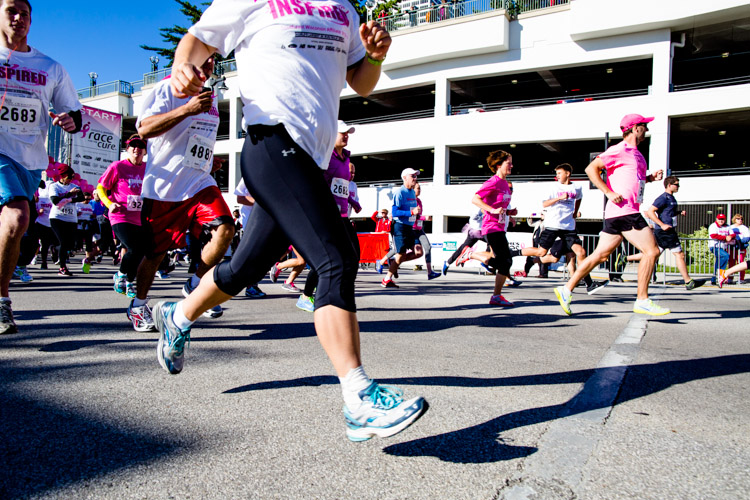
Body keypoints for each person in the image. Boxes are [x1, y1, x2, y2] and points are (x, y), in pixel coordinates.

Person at [152, 3, 425, 441]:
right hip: (271, 142)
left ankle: (178, 315)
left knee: (245, 267)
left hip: (311, 161)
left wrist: (374, 57)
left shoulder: (343, 9)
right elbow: (198, 39)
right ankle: (359, 398)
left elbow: (362, 82)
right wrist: (183, 66)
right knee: (336, 255)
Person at [126, 57, 235, 331]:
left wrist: (210, 161)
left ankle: (196, 284)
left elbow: (195, 141)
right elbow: (144, 129)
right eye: (203, 56)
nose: (209, 62)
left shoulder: (211, 98)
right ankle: (138, 305)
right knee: (156, 254)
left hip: (198, 181)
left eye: (213, 57)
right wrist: (186, 109)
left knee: (225, 229)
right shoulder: (167, 89)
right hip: (165, 189)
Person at [0, 0, 83, 333]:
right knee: (17, 216)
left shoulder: (50, 67)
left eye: (25, 13)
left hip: (31, 161)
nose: (19, 18)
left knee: (14, 226)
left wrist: (70, 122)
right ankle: (2, 301)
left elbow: (75, 114)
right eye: (11, 11)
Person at [553, 114, 669, 316]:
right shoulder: (619, 149)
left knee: (600, 255)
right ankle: (642, 299)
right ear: (634, 128)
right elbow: (591, 169)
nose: (647, 129)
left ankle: (566, 289)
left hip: (619, 212)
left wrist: (650, 178)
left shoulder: (638, 154)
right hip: (625, 211)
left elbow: (633, 180)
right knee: (652, 251)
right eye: (644, 125)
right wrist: (608, 192)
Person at [510, 163, 608, 294]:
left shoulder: (577, 187)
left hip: (568, 227)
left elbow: (579, 198)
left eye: (559, 173)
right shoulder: (554, 187)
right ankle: (511, 253)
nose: (557, 176)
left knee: (581, 252)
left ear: (567, 173)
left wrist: (575, 212)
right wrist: (559, 198)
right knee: (541, 252)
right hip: (553, 224)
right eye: (556, 174)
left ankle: (589, 284)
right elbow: (545, 203)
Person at [298, 121, 362, 312]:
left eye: (348, 133)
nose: (346, 136)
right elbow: (315, 183)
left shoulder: (345, 160)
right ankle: (306, 296)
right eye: (342, 133)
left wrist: (352, 202)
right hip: (326, 214)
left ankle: (336, 293)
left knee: (353, 255)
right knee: (328, 258)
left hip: (342, 216)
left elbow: (340, 187)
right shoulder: (325, 156)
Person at [454, 150, 516, 306]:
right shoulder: (493, 182)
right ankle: (471, 255)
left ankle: (496, 296)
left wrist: (509, 212)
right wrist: (492, 210)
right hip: (491, 227)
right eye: (508, 163)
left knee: (503, 262)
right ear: (498, 165)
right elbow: (475, 199)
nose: (511, 166)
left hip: (500, 227)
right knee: (505, 261)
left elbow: (500, 205)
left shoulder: (505, 184)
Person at [623, 176, 705, 290]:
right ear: (669, 185)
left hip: (665, 230)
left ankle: (625, 258)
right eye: (676, 184)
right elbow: (651, 211)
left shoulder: (671, 198)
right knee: (679, 254)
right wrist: (662, 224)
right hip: (665, 231)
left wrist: (679, 212)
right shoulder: (663, 198)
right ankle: (688, 282)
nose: (678, 187)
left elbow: (667, 213)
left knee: (653, 253)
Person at [96, 134, 149, 299]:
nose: (137, 149)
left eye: (140, 147)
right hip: (120, 215)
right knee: (133, 247)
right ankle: (120, 275)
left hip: (140, 216)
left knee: (140, 251)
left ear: (145, 151)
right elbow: (100, 188)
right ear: (127, 149)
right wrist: (109, 204)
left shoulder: (148, 168)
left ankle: (129, 282)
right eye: (133, 146)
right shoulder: (117, 167)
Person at [381, 168, 424, 288]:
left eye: (416, 176)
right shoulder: (399, 192)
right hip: (399, 227)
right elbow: (394, 212)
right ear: (405, 178)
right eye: (413, 176)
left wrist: (416, 214)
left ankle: (394, 263)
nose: (415, 178)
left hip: (410, 227)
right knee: (400, 255)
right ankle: (386, 279)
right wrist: (411, 212)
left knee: (418, 252)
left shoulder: (412, 192)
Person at [48, 164, 84, 276]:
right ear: (62, 177)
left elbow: (82, 198)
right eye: (69, 177)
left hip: (71, 218)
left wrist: (68, 198)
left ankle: (55, 248)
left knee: (70, 244)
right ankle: (62, 267)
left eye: (72, 177)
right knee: (63, 242)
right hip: (57, 217)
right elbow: (55, 201)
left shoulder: (74, 186)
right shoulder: (55, 187)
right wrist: (70, 195)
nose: (71, 179)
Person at [234, 178, 265, 298]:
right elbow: (240, 198)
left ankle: (251, 285)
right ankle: (250, 286)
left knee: (261, 257)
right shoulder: (250, 173)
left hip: (266, 220)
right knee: (251, 256)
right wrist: (263, 201)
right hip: (251, 222)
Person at [443, 206, 484, 274]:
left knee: (492, 242)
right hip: (475, 231)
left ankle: (448, 262)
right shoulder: (478, 208)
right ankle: (447, 263)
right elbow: (473, 218)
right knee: (463, 248)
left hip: (481, 231)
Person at [412, 182, 440, 279]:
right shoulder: (411, 201)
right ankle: (384, 262)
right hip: (411, 230)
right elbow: (413, 215)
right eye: (418, 188)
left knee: (428, 247)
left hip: (419, 229)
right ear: (412, 189)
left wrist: (423, 219)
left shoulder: (419, 200)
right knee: (401, 251)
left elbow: (418, 216)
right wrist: (424, 218)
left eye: (420, 188)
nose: (419, 190)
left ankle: (429, 272)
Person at [708, 213, 733, 285]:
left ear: (725, 220)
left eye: (722, 219)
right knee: (725, 256)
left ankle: (714, 278)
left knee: (718, 261)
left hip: (723, 246)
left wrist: (730, 236)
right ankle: (720, 275)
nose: (721, 221)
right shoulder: (713, 226)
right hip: (714, 246)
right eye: (720, 219)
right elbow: (713, 235)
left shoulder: (727, 226)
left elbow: (733, 234)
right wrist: (725, 237)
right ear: (716, 219)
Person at [728, 213, 749, 283]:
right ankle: (730, 278)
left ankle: (741, 278)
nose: (740, 220)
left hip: (741, 248)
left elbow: (747, 238)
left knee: (741, 262)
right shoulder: (730, 227)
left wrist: (738, 241)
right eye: (738, 219)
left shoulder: (744, 228)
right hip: (732, 248)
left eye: (741, 219)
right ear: (734, 219)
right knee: (731, 262)